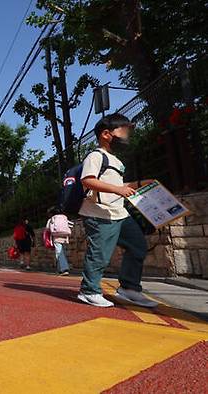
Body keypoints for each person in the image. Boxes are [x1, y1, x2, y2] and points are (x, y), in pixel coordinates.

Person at [77, 113, 157, 308]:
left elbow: (116, 184)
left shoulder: (114, 159)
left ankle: (130, 289)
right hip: (99, 213)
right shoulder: (95, 156)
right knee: (100, 253)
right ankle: (89, 291)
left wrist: (138, 184)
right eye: (123, 131)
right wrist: (119, 189)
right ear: (106, 134)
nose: (126, 136)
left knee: (137, 245)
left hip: (119, 212)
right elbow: (87, 180)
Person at [46, 207, 72, 276]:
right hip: (65, 237)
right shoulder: (64, 217)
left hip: (56, 237)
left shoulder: (52, 218)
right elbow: (70, 225)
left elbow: (47, 228)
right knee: (63, 253)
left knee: (59, 253)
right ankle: (60, 270)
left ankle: (64, 269)